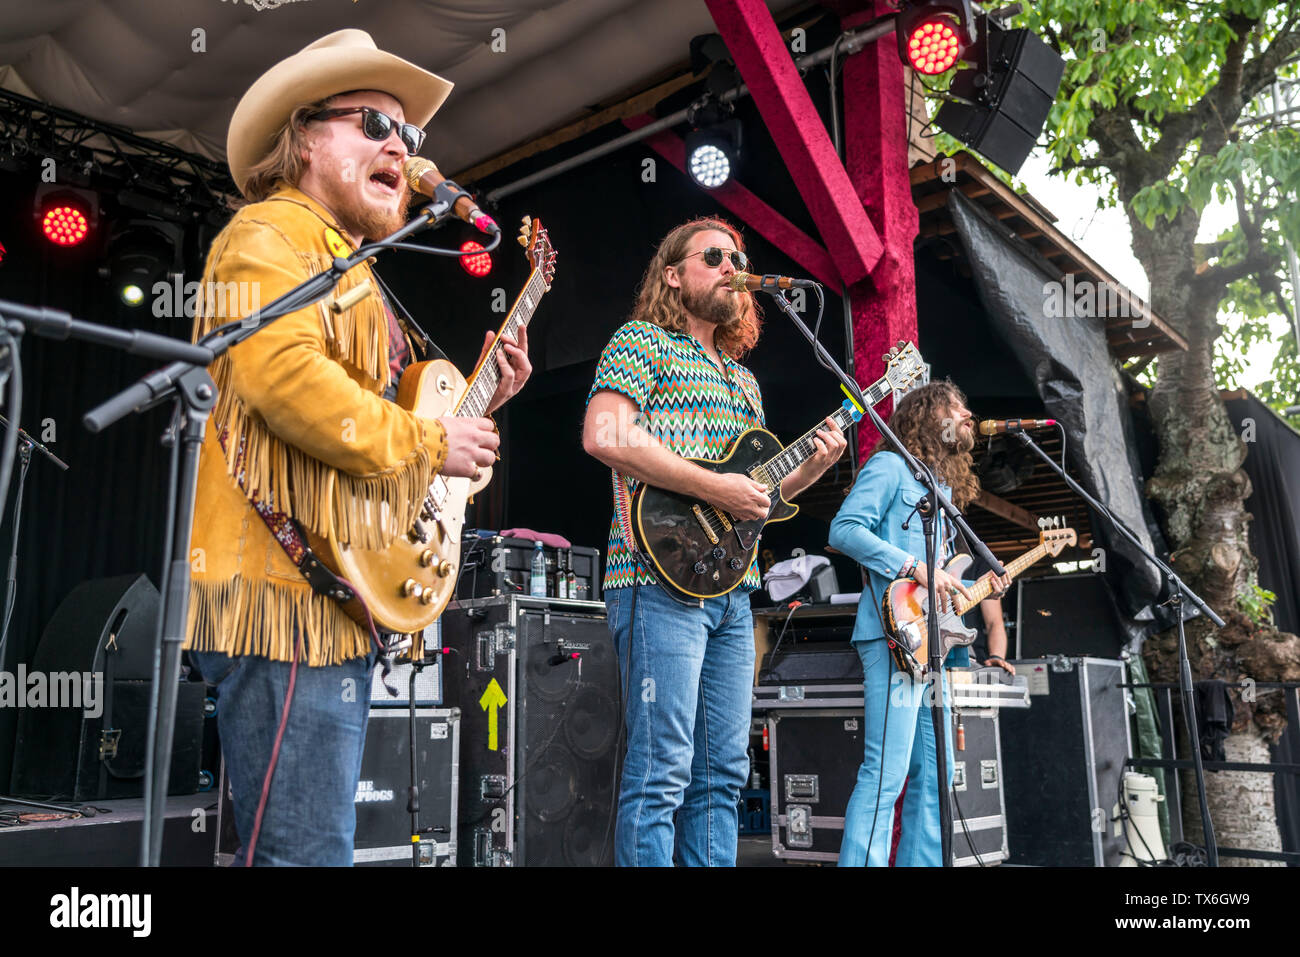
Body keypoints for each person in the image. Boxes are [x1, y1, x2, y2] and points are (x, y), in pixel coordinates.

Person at [183, 30, 531, 865]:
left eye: (410, 139)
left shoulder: (356, 270)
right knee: (307, 855)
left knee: (313, 848)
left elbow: (380, 442)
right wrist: (427, 437)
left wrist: (476, 410)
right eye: (374, 124)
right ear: (304, 139)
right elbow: (280, 376)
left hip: (323, 598)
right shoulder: (269, 231)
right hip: (279, 599)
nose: (402, 152)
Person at [581, 218, 846, 866]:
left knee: (722, 774)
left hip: (732, 594)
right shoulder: (641, 342)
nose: (734, 265)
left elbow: (764, 499)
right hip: (654, 579)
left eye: (740, 258)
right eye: (715, 256)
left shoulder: (743, 379)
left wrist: (813, 462)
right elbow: (604, 435)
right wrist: (717, 488)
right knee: (662, 771)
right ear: (673, 274)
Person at [828, 380, 1010, 866]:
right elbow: (843, 529)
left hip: (939, 642)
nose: (968, 414)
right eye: (959, 405)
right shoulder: (889, 467)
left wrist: (976, 588)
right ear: (930, 415)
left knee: (937, 771)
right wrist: (912, 568)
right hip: (895, 637)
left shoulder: (941, 487)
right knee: (886, 772)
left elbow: (944, 575)